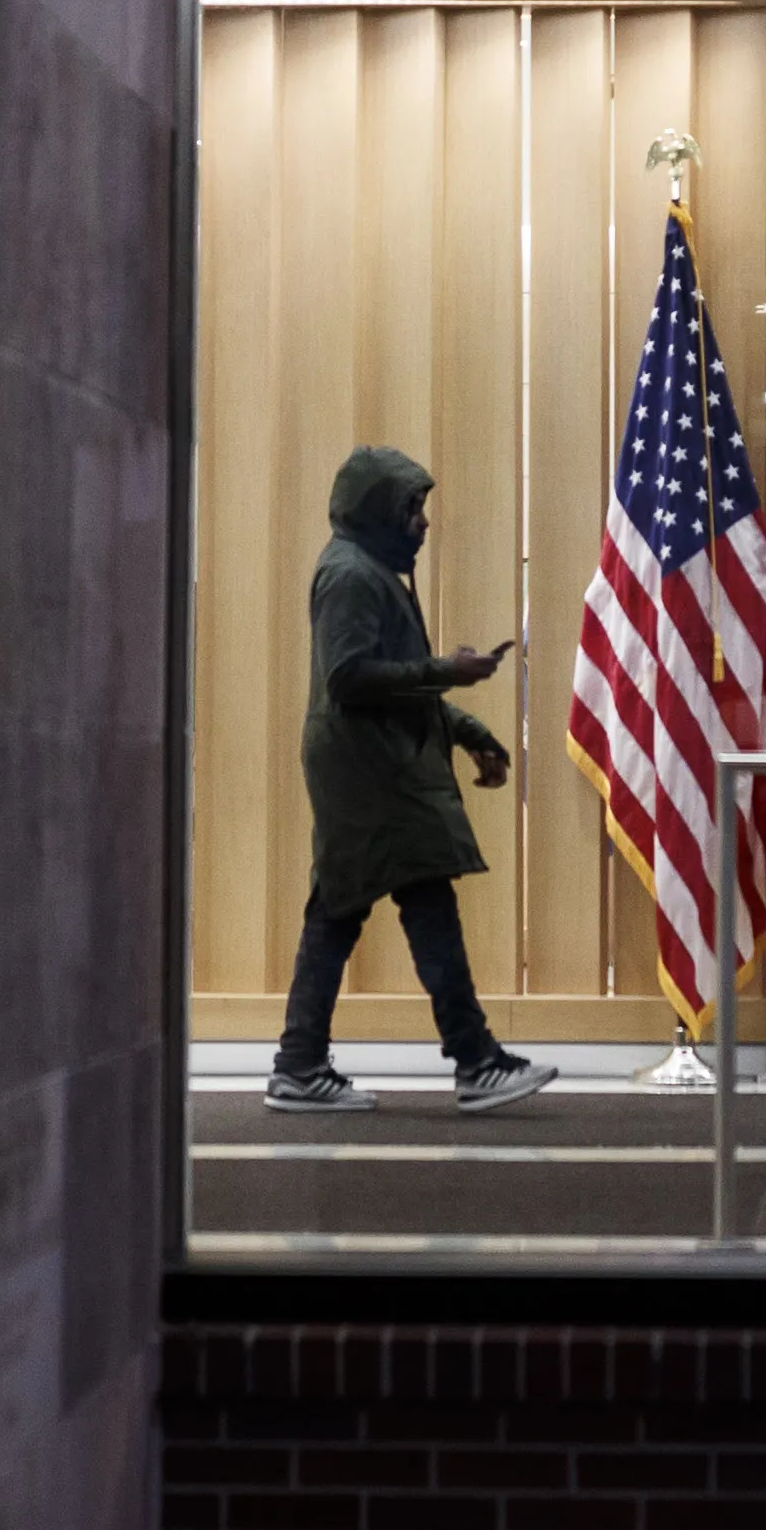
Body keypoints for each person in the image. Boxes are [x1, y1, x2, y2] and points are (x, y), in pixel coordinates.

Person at [267, 447, 561, 1115]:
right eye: (412, 507)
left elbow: (388, 684)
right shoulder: (351, 575)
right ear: (378, 508)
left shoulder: (367, 570)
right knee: (392, 906)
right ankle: (472, 1060)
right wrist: (445, 672)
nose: (423, 521)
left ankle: (304, 1064)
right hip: (371, 773)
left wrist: (467, 728)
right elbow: (349, 679)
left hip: (373, 768)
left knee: (351, 908)